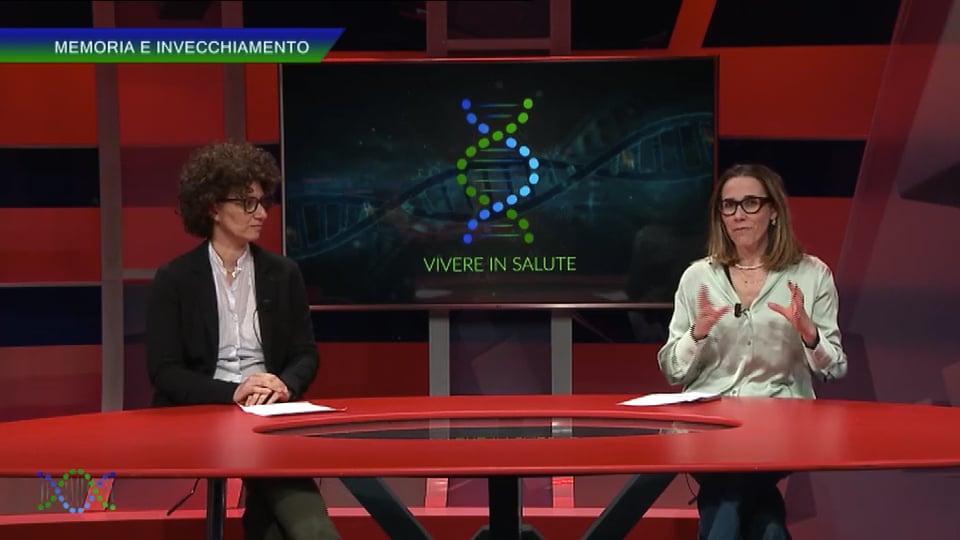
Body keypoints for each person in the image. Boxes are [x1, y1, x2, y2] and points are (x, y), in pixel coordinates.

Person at [145, 141, 340, 540]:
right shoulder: (175, 278)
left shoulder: (283, 273)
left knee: (280, 519)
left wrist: (282, 384)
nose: (262, 213)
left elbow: (305, 354)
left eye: (263, 202)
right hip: (204, 411)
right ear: (213, 208)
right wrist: (233, 392)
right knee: (305, 524)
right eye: (248, 203)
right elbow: (164, 371)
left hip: (270, 410)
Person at [657, 163, 848, 540]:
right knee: (764, 522)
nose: (738, 214)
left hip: (782, 422)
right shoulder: (698, 277)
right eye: (728, 205)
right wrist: (697, 333)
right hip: (709, 424)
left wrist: (808, 332)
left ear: (773, 210)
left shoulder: (812, 275)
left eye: (750, 203)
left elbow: (835, 368)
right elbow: (673, 370)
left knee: (727, 494)